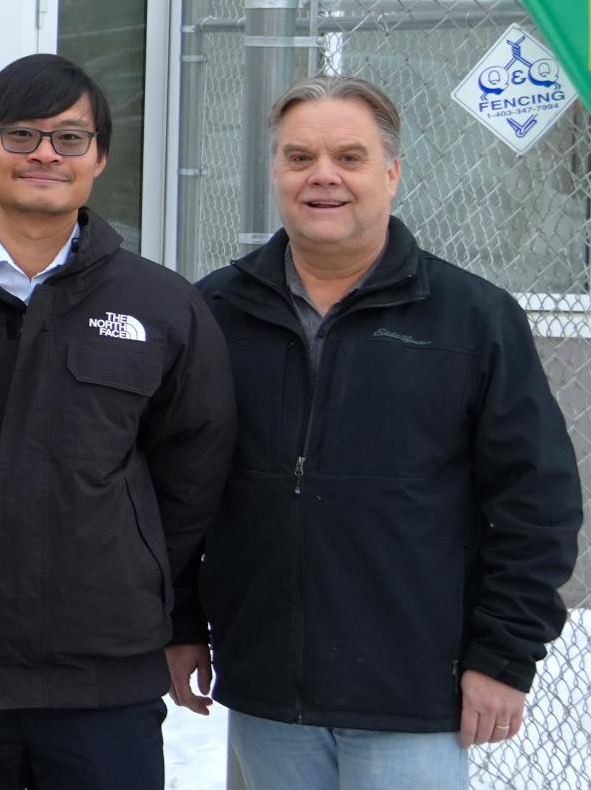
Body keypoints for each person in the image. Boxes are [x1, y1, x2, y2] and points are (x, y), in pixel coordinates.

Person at [180, 75, 582, 790]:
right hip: (269, 693)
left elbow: (537, 504)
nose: (323, 176)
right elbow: (178, 486)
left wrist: (503, 657)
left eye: (350, 156)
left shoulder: (472, 319)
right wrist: (180, 623)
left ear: (392, 173)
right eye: (299, 157)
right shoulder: (213, 311)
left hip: (414, 698)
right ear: (275, 173)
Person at [0, 53, 234, 790]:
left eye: (69, 138)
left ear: (99, 157)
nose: (44, 153)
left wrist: (136, 571)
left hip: (103, 680)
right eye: (21, 134)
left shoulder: (161, 305)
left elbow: (192, 471)